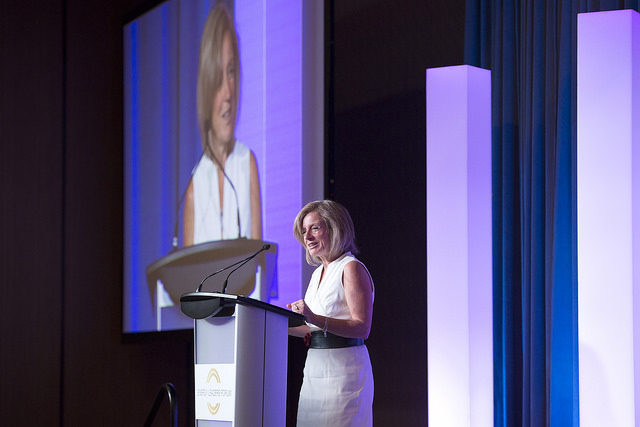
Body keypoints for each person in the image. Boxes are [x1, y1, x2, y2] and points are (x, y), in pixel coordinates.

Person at [287, 200, 375, 426]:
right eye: (304, 231)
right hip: (314, 372)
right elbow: (313, 328)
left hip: (345, 374)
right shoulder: (317, 274)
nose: (307, 237)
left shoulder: (351, 267)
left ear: (335, 228)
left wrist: (314, 317)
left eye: (315, 228)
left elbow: (362, 326)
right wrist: (274, 324)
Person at [183, 3, 261, 245]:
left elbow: (261, 262)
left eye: (231, 72)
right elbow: (186, 278)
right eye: (218, 78)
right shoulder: (195, 185)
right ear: (206, 89)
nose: (228, 91)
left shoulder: (246, 162)